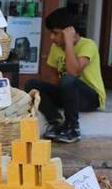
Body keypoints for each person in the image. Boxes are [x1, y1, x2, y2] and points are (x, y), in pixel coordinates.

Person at [25, 8, 105, 144]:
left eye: (55, 33)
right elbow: (56, 77)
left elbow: (73, 72)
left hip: (90, 98)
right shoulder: (55, 48)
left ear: (69, 32)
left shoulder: (88, 45)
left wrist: (69, 43)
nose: (51, 37)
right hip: (69, 94)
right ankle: (56, 122)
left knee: (68, 78)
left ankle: (73, 128)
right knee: (32, 84)